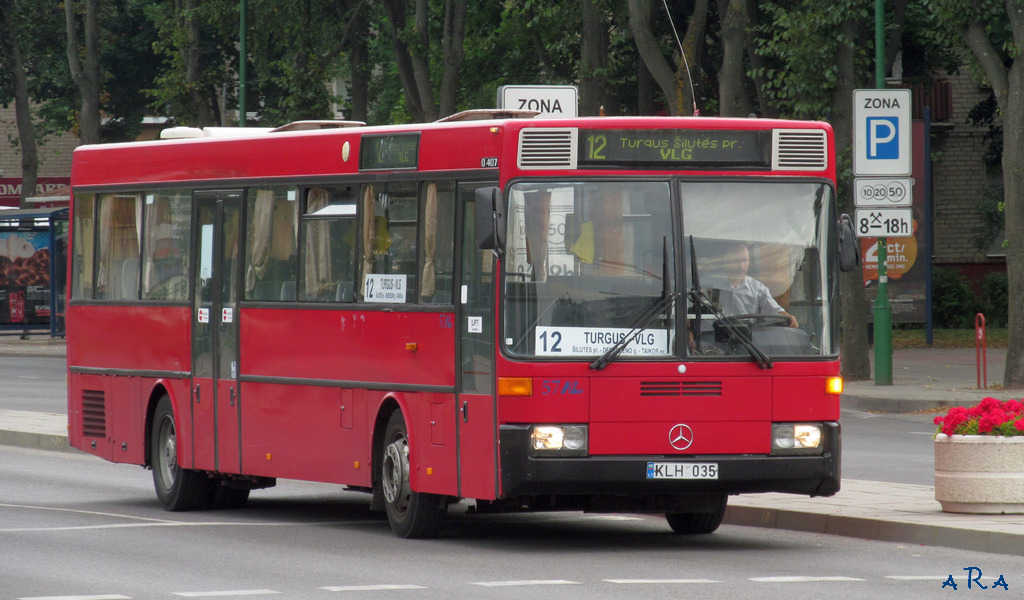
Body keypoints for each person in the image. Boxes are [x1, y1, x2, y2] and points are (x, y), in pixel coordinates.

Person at [705, 242, 798, 328]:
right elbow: (691, 312)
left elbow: (775, 312)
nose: (741, 266)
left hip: (745, 342)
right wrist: (690, 333)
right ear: (726, 261)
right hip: (710, 341)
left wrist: (789, 317)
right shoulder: (708, 283)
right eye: (736, 261)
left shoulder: (758, 289)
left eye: (745, 260)